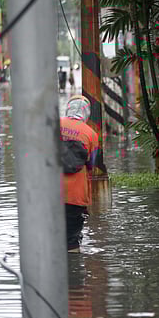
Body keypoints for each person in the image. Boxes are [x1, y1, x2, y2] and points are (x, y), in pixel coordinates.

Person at [60, 95, 99, 252]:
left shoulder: (53, 125)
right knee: (72, 241)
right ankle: (75, 273)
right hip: (76, 196)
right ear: (86, 113)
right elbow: (92, 164)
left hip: (49, 195)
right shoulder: (91, 134)